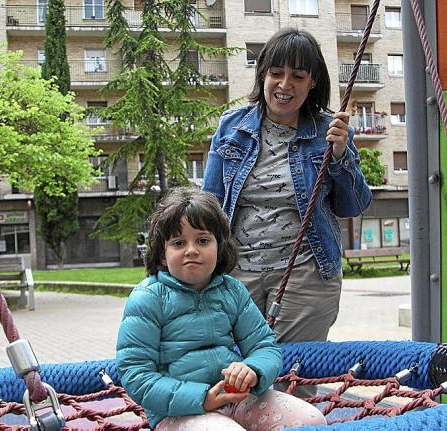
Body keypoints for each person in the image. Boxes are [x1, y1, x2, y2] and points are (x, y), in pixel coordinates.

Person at [202, 28, 372, 347]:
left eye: (297, 75)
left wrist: (340, 156)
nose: (284, 85)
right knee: (236, 378)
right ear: (262, 75)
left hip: (306, 274)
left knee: (292, 378)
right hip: (237, 276)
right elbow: (209, 204)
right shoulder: (231, 126)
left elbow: (353, 206)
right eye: (276, 73)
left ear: (313, 82)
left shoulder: (330, 131)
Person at [116, 187, 326, 430]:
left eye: (203, 240)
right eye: (178, 242)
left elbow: (264, 346)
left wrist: (253, 370)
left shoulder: (231, 291)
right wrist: (201, 398)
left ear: (219, 247)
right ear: (163, 255)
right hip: (178, 411)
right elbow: (136, 374)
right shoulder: (148, 298)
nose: (192, 249)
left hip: (237, 399)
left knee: (311, 421)